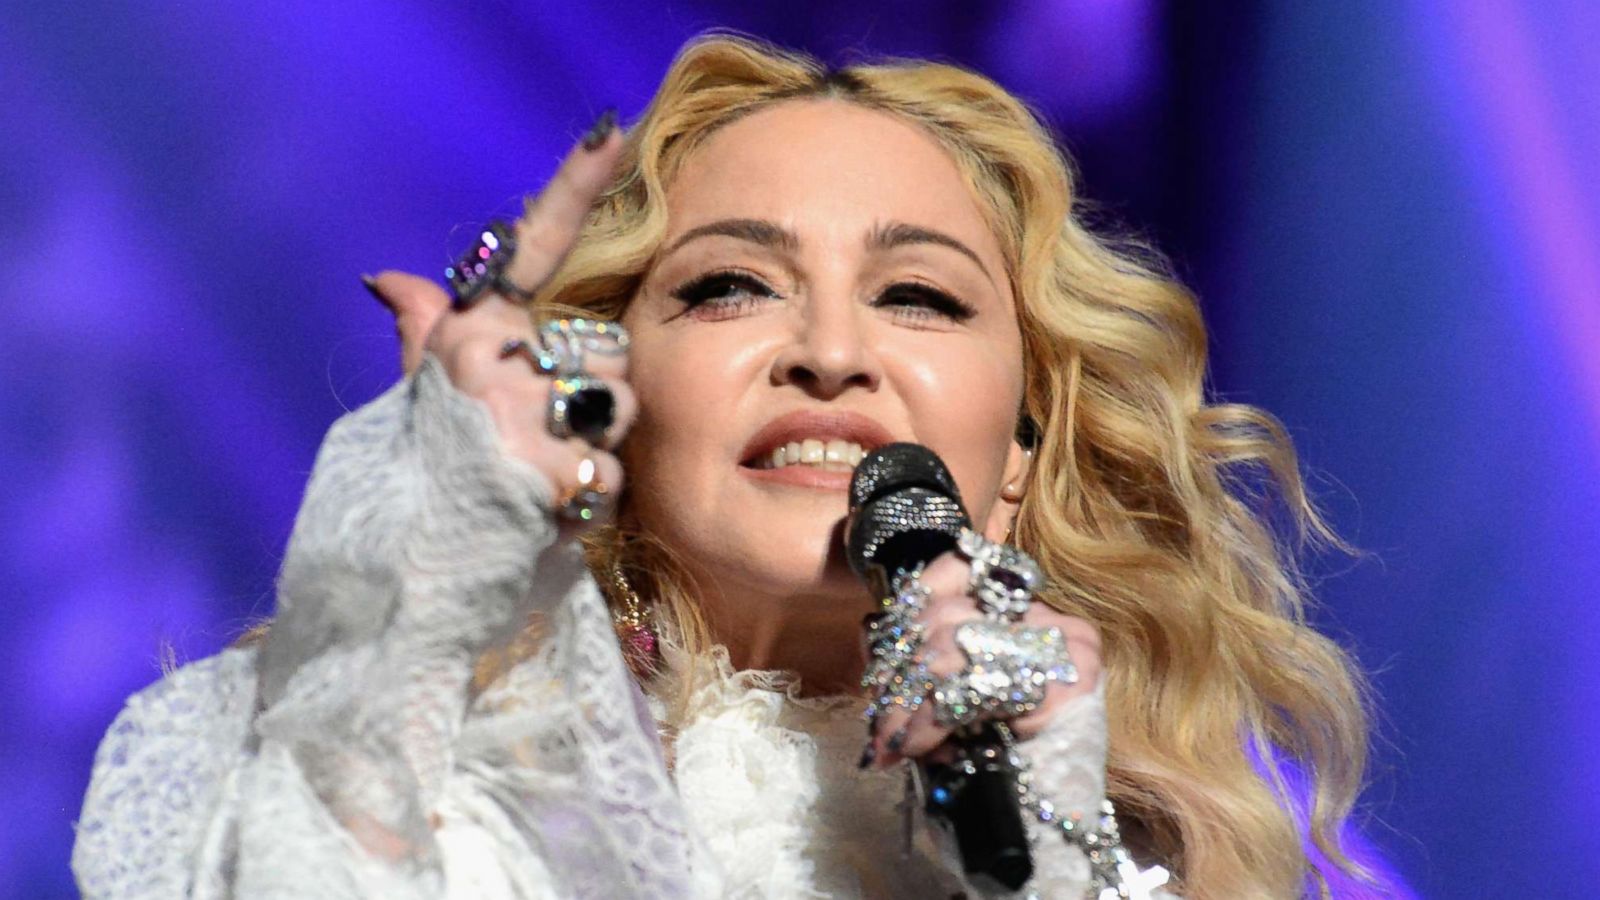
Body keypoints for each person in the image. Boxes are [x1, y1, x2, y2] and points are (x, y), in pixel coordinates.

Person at [72, 33, 1377, 898]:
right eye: (733, 286)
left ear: (1020, 459)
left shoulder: (1151, 854)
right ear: (611, 405)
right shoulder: (407, 787)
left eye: (918, 297)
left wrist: (1036, 832)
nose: (828, 352)